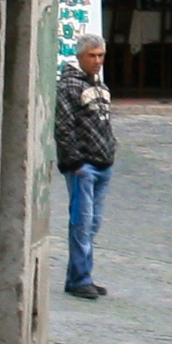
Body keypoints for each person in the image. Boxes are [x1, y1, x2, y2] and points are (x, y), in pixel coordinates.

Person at [55, 35, 117, 301]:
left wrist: (112, 148)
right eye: (92, 56)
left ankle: (79, 276)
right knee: (81, 223)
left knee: (92, 224)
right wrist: (75, 162)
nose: (98, 61)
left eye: (101, 55)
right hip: (84, 167)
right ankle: (81, 278)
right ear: (80, 56)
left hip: (103, 163)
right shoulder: (69, 86)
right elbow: (64, 126)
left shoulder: (100, 86)